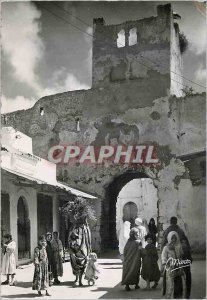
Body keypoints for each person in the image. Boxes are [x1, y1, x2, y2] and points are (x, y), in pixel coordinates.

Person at [161, 231, 186, 299]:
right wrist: (169, 266)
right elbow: (164, 259)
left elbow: (181, 257)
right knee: (170, 286)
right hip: (170, 269)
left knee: (179, 285)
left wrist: (181, 267)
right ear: (169, 238)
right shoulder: (166, 248)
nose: (174, 240)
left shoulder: (179, 246)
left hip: (178, 267)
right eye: (172, 238)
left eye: (175, 238)